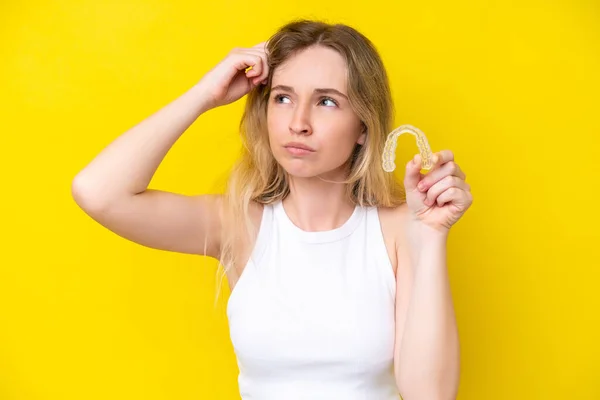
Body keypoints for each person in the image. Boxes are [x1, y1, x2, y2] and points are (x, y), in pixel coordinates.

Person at [71, 18, 472, 400]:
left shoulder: (402, 228)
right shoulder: (239, 223)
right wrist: (204, 95)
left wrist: (431, 235)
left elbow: (430, 394)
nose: (298, 122)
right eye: (283, 98)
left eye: (327, 102)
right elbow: (98, 192)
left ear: (363, 127)